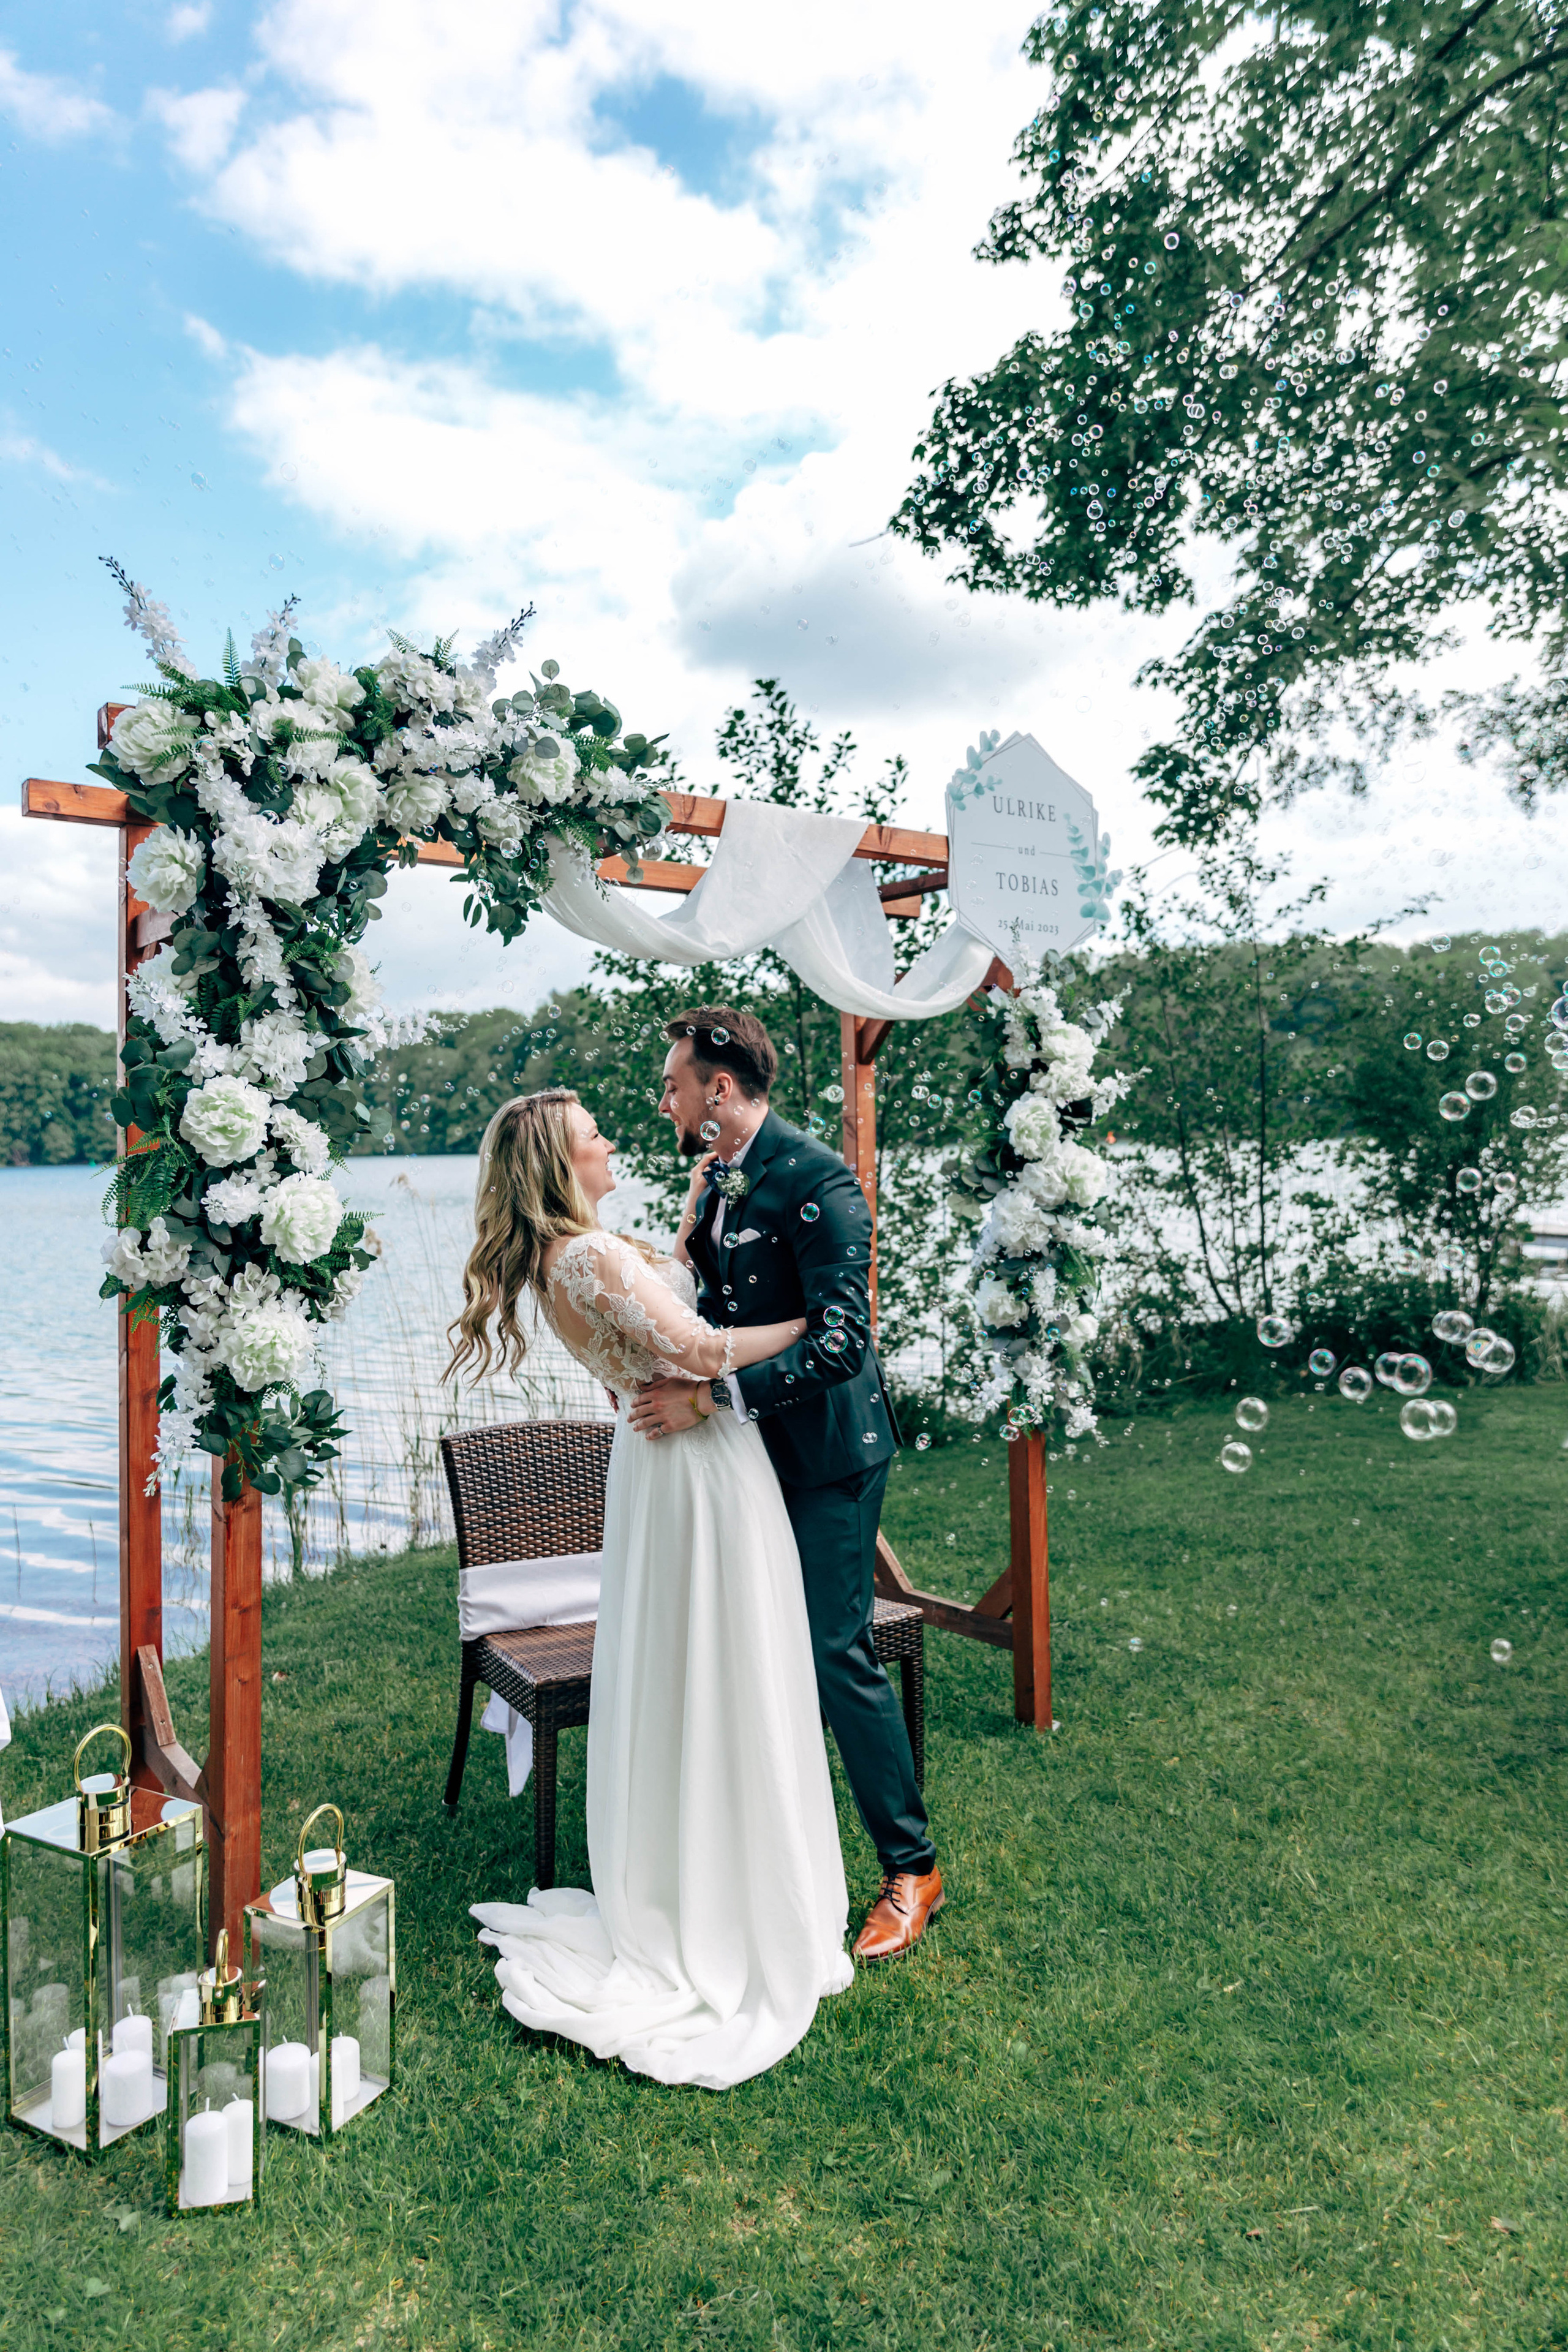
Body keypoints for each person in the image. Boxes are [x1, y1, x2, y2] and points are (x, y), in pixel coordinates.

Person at [453, 1087, 853, 2089]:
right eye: (593, 1135)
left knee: (696, 1668)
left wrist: (681, 1229)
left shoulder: (572, 1259)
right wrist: (817, 1324)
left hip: (663, 1472)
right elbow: (703, 1351)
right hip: (699, 1470)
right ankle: (730, 1898)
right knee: (729, 1664)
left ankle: (694, 1864)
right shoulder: (582, 1259)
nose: (609, 1138)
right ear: (559, 1161)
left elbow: (661, 1315)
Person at [628, 1006, 943, 1966]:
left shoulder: (821, 1180)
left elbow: (843, 1342)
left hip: (829, 1455)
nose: (667, 1099)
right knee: (757, 1642)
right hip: (754, 1454)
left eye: (676, 1083)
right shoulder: (720, 1174)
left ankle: (913, 1864)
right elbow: (725, 1302)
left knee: (833, 1650)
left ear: (720, 1090)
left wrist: (711, 1398)